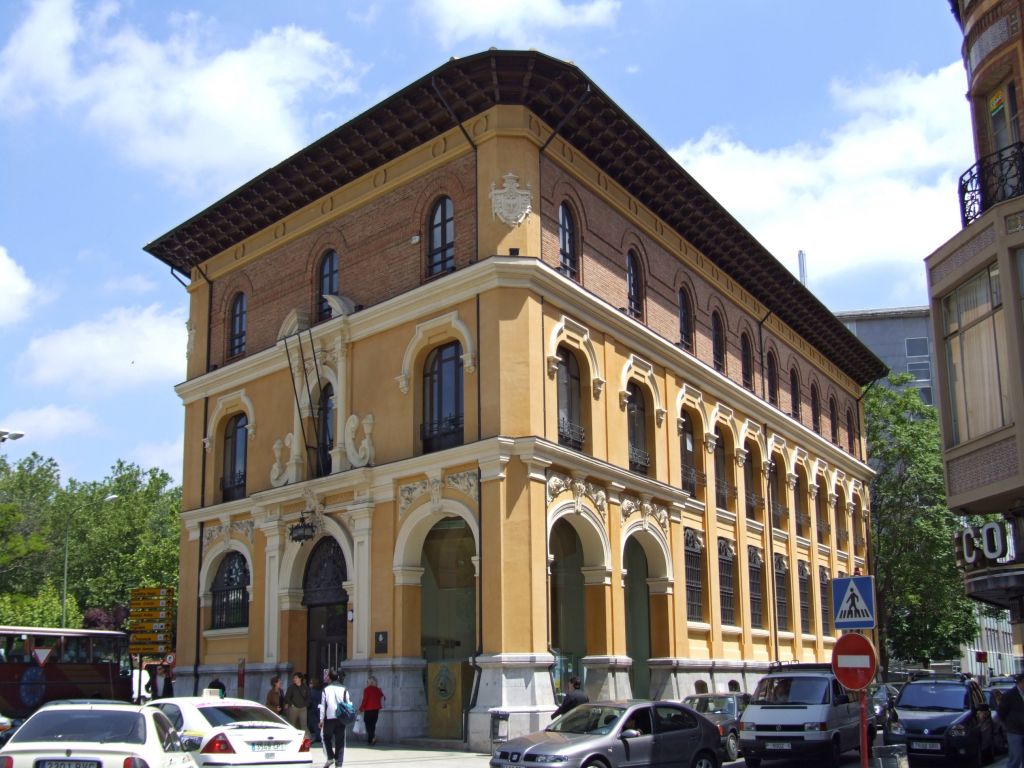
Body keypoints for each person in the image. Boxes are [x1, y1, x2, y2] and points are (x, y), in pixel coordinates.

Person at [319, 669, 351, 768]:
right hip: (341, 718)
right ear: (338, 677)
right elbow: (349, 704)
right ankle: (339, 764)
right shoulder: (344, 689)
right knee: (340, 741)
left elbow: (323, 706)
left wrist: (321, 720)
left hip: (329, 718)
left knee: (326, 737)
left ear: (329, 678)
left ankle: (330, 756)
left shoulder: (326, 689)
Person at [998, 672, 1024, 768]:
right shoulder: (1009, 695)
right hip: (1015, 731)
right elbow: (1001, 712)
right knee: (1015, 758)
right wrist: (1009, 724)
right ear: (1021, 682)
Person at [358, 676, 385, 745]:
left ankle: (372, 737)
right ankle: (370, 740)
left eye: (367, 682)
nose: (367, 683)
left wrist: (361, 709)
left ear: (370, 682)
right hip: (376, 710)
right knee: (373, 725)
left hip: (368, 710)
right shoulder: (378, 689)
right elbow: (383, 696)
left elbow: (365, 700)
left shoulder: (366, 690)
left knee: (368, 725)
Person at [284, 672, 310, 737]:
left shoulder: (305, 687)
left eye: (296, 678)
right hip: (294, 708)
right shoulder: (291, 687)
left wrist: (306, 705)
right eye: (294, 678)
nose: (294, 679)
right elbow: (287, 697)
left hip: (303, 708)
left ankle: (307, 739)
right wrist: (291, 704)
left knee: (303, 725)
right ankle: (290, 737)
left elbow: (308, 697)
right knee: (292, 724)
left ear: (300, 679)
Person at [307, 675, 323, 746]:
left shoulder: (311, 691)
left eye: (311, 683)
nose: (309, 684)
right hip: (319, 709)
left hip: (312, 709)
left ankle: (318, 737)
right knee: (319, 723)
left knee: (314, 723)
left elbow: (309, 701)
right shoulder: (321, 691)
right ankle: (319, 736)